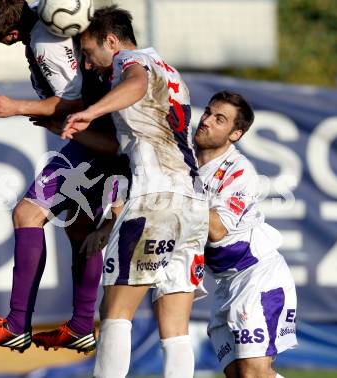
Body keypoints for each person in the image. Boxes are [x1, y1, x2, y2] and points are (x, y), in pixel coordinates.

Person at [0, 0, 127, 354]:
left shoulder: (44, 41)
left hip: (96, 140)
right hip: (101, 138)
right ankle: (82, 325)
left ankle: (17, 325)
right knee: (80, 227)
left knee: (27, 213)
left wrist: (16, 107)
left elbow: (74, 101)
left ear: (10, 33)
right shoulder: (45, 11)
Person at [61, 6, 208, 378]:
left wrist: (91, 112)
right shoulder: (170, 72)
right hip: (191, 203)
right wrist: (70, 127)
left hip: (154, 197)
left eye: (89, 53)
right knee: (175, 329)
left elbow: (136, 84)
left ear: (111, 41)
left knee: (114, 312)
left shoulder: (132, 61)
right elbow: (128, 143)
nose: (89, 64)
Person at [194, 91, 297, 378]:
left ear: (235, 133)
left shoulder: (240, 172)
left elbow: (216, 230)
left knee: (253, 372)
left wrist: (177, 192)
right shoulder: (184, 159)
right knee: (239, 374)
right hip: (225, 285)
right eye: (207, 113)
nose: (206, 121)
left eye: (220, 119)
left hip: (258, 276)